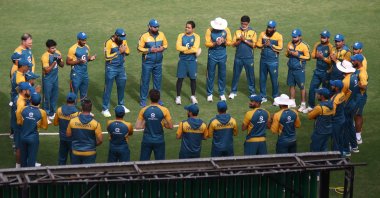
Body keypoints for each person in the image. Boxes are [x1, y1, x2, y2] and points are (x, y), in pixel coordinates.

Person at [135, 89, 173, 160]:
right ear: (159, 98)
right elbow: (171, 126)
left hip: (146, 140)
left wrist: (146, 120)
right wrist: (164, 124)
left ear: (149, 97)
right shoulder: (164, 110)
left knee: (143, 163)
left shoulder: (144, 110)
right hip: (159, 140)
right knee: (160, 164)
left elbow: (137, 126)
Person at [138, 19, 168, 107]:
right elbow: (139, 49)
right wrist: (150, 50)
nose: (156, 28)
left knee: (157, 82)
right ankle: (143, 100)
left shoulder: (161, 34)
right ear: (149, 27)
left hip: (158, 62)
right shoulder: (144, 36)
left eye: (157, 26)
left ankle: (157, 99)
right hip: (147, 63)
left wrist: (162, 48)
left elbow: (166, 45)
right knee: (145, 81)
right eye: (154, 27)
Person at [101, 28, 130, 117]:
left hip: (121, 67)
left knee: (121, 86)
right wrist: (119, 52)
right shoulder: (108, 42)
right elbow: (106, 57)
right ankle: (105, 109)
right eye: (121, 38)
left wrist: (124, 52)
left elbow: (128, 51)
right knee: (108, 88)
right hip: (111, 68)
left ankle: (121, 105)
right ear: (116, 36)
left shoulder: (123, 41)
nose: (122, 40)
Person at [304, 30, 333, 113]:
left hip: (326, 72)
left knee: (325, 91)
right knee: (312, 88)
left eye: (324, 37)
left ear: (328, 38)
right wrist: (317, 55)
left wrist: (323, 57)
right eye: (321, 37)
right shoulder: (317, 44)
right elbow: (312, 55)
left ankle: (324, 107)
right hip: (317, 71)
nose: (322, 39)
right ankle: (310, 106)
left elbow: (331, 61)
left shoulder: (330, 47)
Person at [229, 15, 257, 100]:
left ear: (248, 23)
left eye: (245, 24)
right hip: (238, 57)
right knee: (236, 75)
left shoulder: (253, 32)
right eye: (242, 23)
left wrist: (244, 40)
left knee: (250, 76)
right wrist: (240, 40)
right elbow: (233, 44)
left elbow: (254, 45)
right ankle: (233, 92)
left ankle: (252, 93)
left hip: (249, 58)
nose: (243, 25)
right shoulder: (237, 31)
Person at [66, 99, 103, 164]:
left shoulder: (72, 121)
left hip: (76, 151)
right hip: (90, 152)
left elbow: (68, 135)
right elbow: (100, 140)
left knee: (76, 172)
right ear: (91, 109)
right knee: (89, 173)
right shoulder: (95, 123)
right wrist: (93, 145)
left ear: (81, 108)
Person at [205, 17, 233, 102]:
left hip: (222, 55)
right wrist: (215, 43)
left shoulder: (226, 30)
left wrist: (224, 41)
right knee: (210, 75)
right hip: (212, 55)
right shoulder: (209, 30)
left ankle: (221, 93)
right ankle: (209, 94)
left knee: (222, 74)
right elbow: (207, 43)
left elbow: (230, 42)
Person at [16, 93, 48, 167]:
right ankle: (30, 176)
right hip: (33, 138)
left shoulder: (23, 109)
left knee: (23, 157)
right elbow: (45, 127)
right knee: (32, 158)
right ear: (40, 102)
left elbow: (20, 122)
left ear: (30, 101)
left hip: (23, 136)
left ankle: (23, 175)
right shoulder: (42, 112)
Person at [256, 20, 283, 103]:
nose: (269, 29)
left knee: (274, 79)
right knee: (262, 78)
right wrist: (264, 45)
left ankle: (275, 97)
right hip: (263, 60)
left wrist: (270, 45)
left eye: (271, 28)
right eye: (268, 27)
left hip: (273, 61)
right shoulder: (262, 34)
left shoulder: (278, 36)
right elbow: (258, 44)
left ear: (274, 28)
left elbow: (280, 48)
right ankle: (263, 96)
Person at [175, 21, 201, 105]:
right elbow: (177, 47)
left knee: (193, 79)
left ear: (193, 29)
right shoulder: (181, 35)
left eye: (189, 27)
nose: (187, 28)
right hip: (182, 61)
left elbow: (195, 48)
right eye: (186, 27)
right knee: (180, 79)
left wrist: (184, 50)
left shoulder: (196, 37)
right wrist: (189, 49)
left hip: (192, 61)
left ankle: (193, 96)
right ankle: (178, 97)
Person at [337, 60, 360, 155]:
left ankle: (346, 150)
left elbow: (341, 96)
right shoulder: (355, 77)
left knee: (345, 128)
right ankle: (354, 146)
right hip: (354, 104)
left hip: (346, 106)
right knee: (351, 125)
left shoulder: (345, 81)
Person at [66, 32, 96, 101]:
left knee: (84, 94)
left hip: (85, 73)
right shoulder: (73, 49)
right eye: (83, 40)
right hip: (76, 74)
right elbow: (67, 62)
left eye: (85, 39)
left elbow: (86, 58)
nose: (84, 41)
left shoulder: (87, 47)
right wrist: (78, 61)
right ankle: (73, 111)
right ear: (78, 40)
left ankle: (83, 110)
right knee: (74, 94)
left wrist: (90, 58)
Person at [285, 29, 310, 111]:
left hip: (299, 69)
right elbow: (286, 54)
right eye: (293, 37)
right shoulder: (290, 43)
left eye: (295, 37)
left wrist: (298, 55)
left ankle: (303, 104)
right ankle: (292, 101)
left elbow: (308, 57)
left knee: (302, 87)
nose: (293, 38)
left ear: (300, 37)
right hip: (291, 69)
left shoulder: (304, 46)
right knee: (291, 85)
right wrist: (289, 53)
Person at [41, 39, 64, 122]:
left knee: (54, 97)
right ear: (48, 48)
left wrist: (59, 60)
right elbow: (47, 70)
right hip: (47, 79)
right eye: (52, 48)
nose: (54, 50)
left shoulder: (58, 53)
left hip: (55, 79)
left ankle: (52, 113)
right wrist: (55, 61)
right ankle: (45, 115)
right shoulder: (45, 56)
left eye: (54, 48)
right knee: (47, 98)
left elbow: (62, 65)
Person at [53, 93, 79, 165]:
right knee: (74, 158)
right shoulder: (77, 113)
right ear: (74, 101)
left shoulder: (59, 110)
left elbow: (55, 123)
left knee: (62, 158)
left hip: (62, 137)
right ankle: (73, 174)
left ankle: (60, 173)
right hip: (72, 139)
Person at [10, 58, 31, 139]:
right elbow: (23, 91)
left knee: (13, 115)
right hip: (18, 98)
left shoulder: (16, 73)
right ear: (22, 66)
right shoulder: (20, 78)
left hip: (14, 96)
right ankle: (14, 134)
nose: (28, 68)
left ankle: (12, 132)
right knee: (17, 115)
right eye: (27, 66)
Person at [351, 43, 367, 144]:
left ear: (358, 62)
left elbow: (364, 86)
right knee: (352, 114)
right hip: (355, 95)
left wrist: (356, 84)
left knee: (358, 115)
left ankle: (358, 136)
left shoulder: (362, 73)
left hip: (359, 96)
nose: (352, 61)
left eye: (354, 60)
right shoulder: (357, 70)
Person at [13, 82, 32, 168]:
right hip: (20, 127)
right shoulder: (21, 102)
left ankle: (21, 164)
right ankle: (18, 166)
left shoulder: (19, 97)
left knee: (21, 146)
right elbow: (19, 116)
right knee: (20, 147)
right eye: (28, 90)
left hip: (18, 127)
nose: (30, 91)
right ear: (24, 91)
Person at [330, 80, 346, 155]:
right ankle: (341, 153)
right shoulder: (343, 94)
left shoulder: (334, 99)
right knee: (341, 138)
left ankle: (335, 157)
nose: (331, 86)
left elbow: (333, 112)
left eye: (333, 85)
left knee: (335, 140)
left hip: (336, 121)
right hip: (342, 119)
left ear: (336, 88)